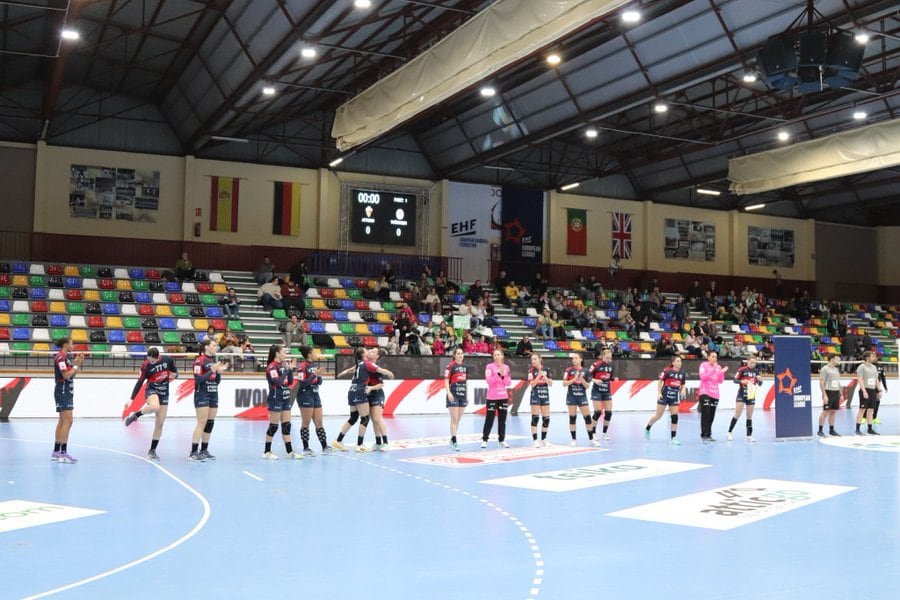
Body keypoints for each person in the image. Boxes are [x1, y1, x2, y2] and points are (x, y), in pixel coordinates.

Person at [124, 347, 179, 460]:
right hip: (151, 389)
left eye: (153, 361)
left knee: (160, 423)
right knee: (154, 407)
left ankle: (152, 451)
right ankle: (136, 415)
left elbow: (175, 372)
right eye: (149, 359)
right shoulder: (146, 365)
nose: (151, 362)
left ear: (158, 357)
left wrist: (175, 375)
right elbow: (140, 382)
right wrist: (131, 398)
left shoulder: (168, 360)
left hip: (164, 392)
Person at [190, 338, 229, 461]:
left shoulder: (214, 361)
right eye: (214, 345)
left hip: (213, 393)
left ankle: (204, 450)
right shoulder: (199, 361)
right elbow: (198, 379)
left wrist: (218, 372)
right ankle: (193, 452)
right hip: (202, 394)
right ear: (206, 347)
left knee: (210, 423)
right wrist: (212, 370)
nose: (216, 347)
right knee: (201, 423)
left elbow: (217, 382)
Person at [262, 345, 302, 460]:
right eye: (283, 352)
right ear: (277, 353)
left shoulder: (283, 365)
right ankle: (267, 451)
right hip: (275, 398)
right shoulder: (272, 367)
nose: (285, 354)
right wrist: (287, 370)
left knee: (286, 426)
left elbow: (289, 382)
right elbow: (278, 382)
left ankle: (289, 452)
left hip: (285, 398)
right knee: (273, 426)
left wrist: (290, 370)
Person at [51, 337, 84, 463]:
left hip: (67, 390)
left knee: (62, 421)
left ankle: (56, 451)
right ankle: (63, 453)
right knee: (68, 421)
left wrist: (77, 363)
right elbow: (66, 375)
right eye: (72, 343)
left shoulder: (65, 358)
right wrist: (75, 365)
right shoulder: (60, 357)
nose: (73, 346)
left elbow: (72, 375)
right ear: (65, 344)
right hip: (63, 390)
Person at [295, 346, 332, 455]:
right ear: (309, 354)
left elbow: (318, 382)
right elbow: (302, 383)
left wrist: (319, 376)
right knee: (306, 422)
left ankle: (325, 447)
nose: (317, 354)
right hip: (305, 395)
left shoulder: (315, 366)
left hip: (315, 394)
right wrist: (315, 375)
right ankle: (306, 448)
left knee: (319, 422)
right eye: (314, 352)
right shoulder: (302, 367)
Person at [331, 347, 369, 452]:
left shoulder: (359, 364)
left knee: (353, 418)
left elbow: (352, 369)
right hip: (359, 391)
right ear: (363, 355)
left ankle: (338, 441)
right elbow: (377, 369)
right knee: (365, 418)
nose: (369, 351)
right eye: (367, 351)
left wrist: (343, 372)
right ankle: (360, 444)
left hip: (352, 390)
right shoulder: (366, 363)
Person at [644, 355, 686, 444]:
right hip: (664, 396)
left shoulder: (682, 373)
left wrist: (683, 390)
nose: (680, 363)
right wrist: (659, 393)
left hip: (674, 397)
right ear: (673, 363)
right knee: (658, 416)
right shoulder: (667, 370)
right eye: (678, 361)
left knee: (675, 417)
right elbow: (660, 381)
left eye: (680, 361)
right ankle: (648, 428)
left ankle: (673, 438)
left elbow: (683, 384)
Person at [365, 347, 394, 451]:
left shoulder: (377, 369)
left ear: (377, 356)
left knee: (377, 418)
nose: (369, 352)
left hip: (377, 394)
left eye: (373, 352)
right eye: (370, 350)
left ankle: (386, 443)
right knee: (373, 420)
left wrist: (371, 388)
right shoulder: (366, 364)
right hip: (368, 395)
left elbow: (381, 385)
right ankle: (378, 443)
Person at [563, 353, 596, 447]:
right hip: (571, 397)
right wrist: (574, 379)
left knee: (587, 418)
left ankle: (592, 438)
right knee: (572, 418)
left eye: (576, 358)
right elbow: (564, 384)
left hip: (582, 396)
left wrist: (582, 380)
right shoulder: (568, 370)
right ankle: (573, 439)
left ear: (581, 359)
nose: (574, 360)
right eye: (573, 358)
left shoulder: (586, 371)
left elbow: (587, 386)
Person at [728, 355, 762, 442]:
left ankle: (749, 435)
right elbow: (734, 380)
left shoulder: (756, 371)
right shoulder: (742, 370)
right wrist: (742, 381)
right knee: (737, 414)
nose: (753, 364)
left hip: (751, 395)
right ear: (747, 362)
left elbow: (760, 384)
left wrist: (760, 380)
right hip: (742, 394)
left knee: (749, 416)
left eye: (754, 363)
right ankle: (729, 432)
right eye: (751, 362)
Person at [482, 348, 512, 448]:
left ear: (502, 356)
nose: (496, 357)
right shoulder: (489, 367)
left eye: (498, 355)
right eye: (495, 355)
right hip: (492, 397)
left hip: (503, 396)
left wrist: (503, 376)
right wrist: (498, 374)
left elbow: (508, 383)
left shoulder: (506, 367)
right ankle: (485, 439)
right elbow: (489, 382)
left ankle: (502, 440)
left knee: (502, 419)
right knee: (489, 419)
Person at [698, 351, 728, 443]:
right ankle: (703, 435)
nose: (715, 358)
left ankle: (709, 434)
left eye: (716, 357)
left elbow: (720, 381)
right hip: (705, 392)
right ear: (708, 357)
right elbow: (703, 377)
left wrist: (722, 372)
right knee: (705, 414)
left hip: (715, 393)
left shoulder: (718, 367)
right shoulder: (704, 365)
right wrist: (713, 369)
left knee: (711, 415)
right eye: (713, 356)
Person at [588, 347, 617, 441]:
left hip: (606, 391)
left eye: (610, 358)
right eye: (607, 358)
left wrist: (614, 379)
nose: (609, 360)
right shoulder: (596, 364)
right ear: (602, 356)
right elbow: (587, 375)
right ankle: (593, 433)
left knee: (609, 412)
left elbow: (610, 377)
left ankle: (604, 433)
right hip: (597, 391)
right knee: (597, 412)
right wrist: (595, 380)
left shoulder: (611, 365)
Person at [443, 348, 468, 451]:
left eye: (461, 354)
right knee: (454, 419)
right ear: (454, 355)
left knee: (458, 419)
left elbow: (466, 382)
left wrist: (467, 395)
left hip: (462, 395)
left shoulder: (465, 367)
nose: (460, 355)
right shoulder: (450, 366)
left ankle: (452, 438)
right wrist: (448, 392)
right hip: (453, 394)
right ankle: (454, 441)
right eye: (458, 354)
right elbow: (446, 380)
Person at [855, 351, 883, 436]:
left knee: (871, 410)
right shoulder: (861, 367)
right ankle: (857, 430)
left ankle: (870, 429)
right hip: (865, 389)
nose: (874, 358)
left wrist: (879, 390)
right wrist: (864, 391)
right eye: (872, 356)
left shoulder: (874, 367)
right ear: (867, 358)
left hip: (873, 390)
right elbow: (860, 379)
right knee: (862, 410)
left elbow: (876, 379)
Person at [528, 353, 553, 448]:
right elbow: (532, 384)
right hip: (535, 396)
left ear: (540, 359)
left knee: (546, 419)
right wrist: (538, 376)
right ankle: (535, 440)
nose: (533, 361)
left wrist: (545, 377)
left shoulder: (547, 369)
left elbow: (550, 384)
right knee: (535, 418)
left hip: (545, 396)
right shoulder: (531, 371)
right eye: (532, 360)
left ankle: (544, 439)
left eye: (535, 359)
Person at [817, 353, 842, 438]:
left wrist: (840, 393)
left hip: (836, 392)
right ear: (832, 359)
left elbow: (838, 382)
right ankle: (820, 431)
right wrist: (824, 395)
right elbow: (821, 382)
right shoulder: (825, 369)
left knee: (833, 412)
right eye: (837, 359)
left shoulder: (836, 369)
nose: (839, 360)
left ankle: (832, 430)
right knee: (825, 412)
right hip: (828, 392)